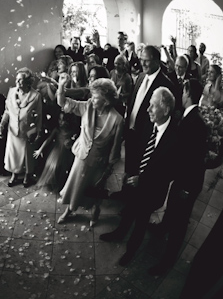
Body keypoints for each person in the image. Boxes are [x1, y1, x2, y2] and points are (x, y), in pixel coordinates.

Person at [100, 87, 179, 267]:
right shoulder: (150, 123)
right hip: (135, 180)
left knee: (141, 221)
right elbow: (141, 150)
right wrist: (132, 172)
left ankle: (131, 250)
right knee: (129, 210)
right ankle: (119, 233)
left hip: (152, 191)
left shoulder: (175, 138)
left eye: (152, 106)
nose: (148, 109)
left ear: (165, 110)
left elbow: (170, 172)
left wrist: (143, 180)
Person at [148, 79, 208, 275]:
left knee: (180, 222)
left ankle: (167, 260)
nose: (182, 94)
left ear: (188, 93)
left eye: (184, 91)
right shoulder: (191, 116)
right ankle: (162, 228)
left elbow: (194, 159)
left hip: (187, 183)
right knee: (172, 207)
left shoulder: (195, 122)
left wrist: (186, 188)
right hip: (181, 179)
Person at [55, 78, 124, 227]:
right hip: (81, 157)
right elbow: (63, 103)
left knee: (94, 190)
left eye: (96, 97)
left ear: (106, 101)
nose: (92, 99)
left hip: (99, 163)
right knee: (76, 186)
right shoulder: (87, 107)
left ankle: (95, 211)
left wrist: (108, 169)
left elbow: (115, 148)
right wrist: (61, 86)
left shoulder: (118, 120)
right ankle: (69, 210)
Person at [120, 45, 174, 198]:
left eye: (146, 61)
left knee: (139, 171)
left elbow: (164, 115)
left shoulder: (166, 84)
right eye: (141, 59)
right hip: (131, 132)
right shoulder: (141, 77)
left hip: (145, 138)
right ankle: (126, 194)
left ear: (157, 61)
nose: (142, 64)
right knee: (128, 167)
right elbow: (133, 103)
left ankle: (134, 200)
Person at [0, 67, 42, 188]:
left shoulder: (36, 96)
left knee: (27, 155)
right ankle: (14, 174)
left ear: (28, 82)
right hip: (13, 130)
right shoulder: (11, 92)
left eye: (20, 80)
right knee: (13, 154)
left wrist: (37, 133)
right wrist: (2, 124)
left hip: (28, 130)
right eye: (17, 80)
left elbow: (39, 117)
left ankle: (28, 175)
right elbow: (7, 111)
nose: (17, 82)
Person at [34, 112, 76, 193]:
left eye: (63, 120)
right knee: (53, 165)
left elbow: (75, 138)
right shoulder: (57, 130)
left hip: (66, 151)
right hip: (56, 150)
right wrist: (40, 149)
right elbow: (48, 140)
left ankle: (59, 184)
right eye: (59, 119)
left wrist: (71, 140)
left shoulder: (72, 130)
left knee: (63, 168)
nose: (60, 122)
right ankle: (51, 182)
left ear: (68, 121)